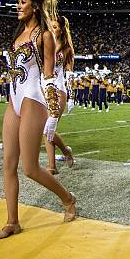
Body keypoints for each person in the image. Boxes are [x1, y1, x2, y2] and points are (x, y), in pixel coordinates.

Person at [0, 0, 77, 239]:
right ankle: (12, 222)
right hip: (14, 99)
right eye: (18, 2)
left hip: (33, 99)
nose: (18, 6)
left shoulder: (45, 35)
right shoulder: (19, 32)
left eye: (23, 2)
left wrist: (53, 113)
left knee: (29, 168)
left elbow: (50, 77)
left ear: (35, 6)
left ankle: (68, 198)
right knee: (8, 164)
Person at [44, 13, 76, 175]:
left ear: (62, 30)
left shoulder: (67, 49)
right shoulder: (43, 44)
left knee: (49, 127)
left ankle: (65, 151)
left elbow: (70, 74)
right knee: (45, 130)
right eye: (50, 26)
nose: (51, 29)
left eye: (54, 27)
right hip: (42, 89)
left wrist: (71, 96)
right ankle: (52, 166)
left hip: (59, 90)